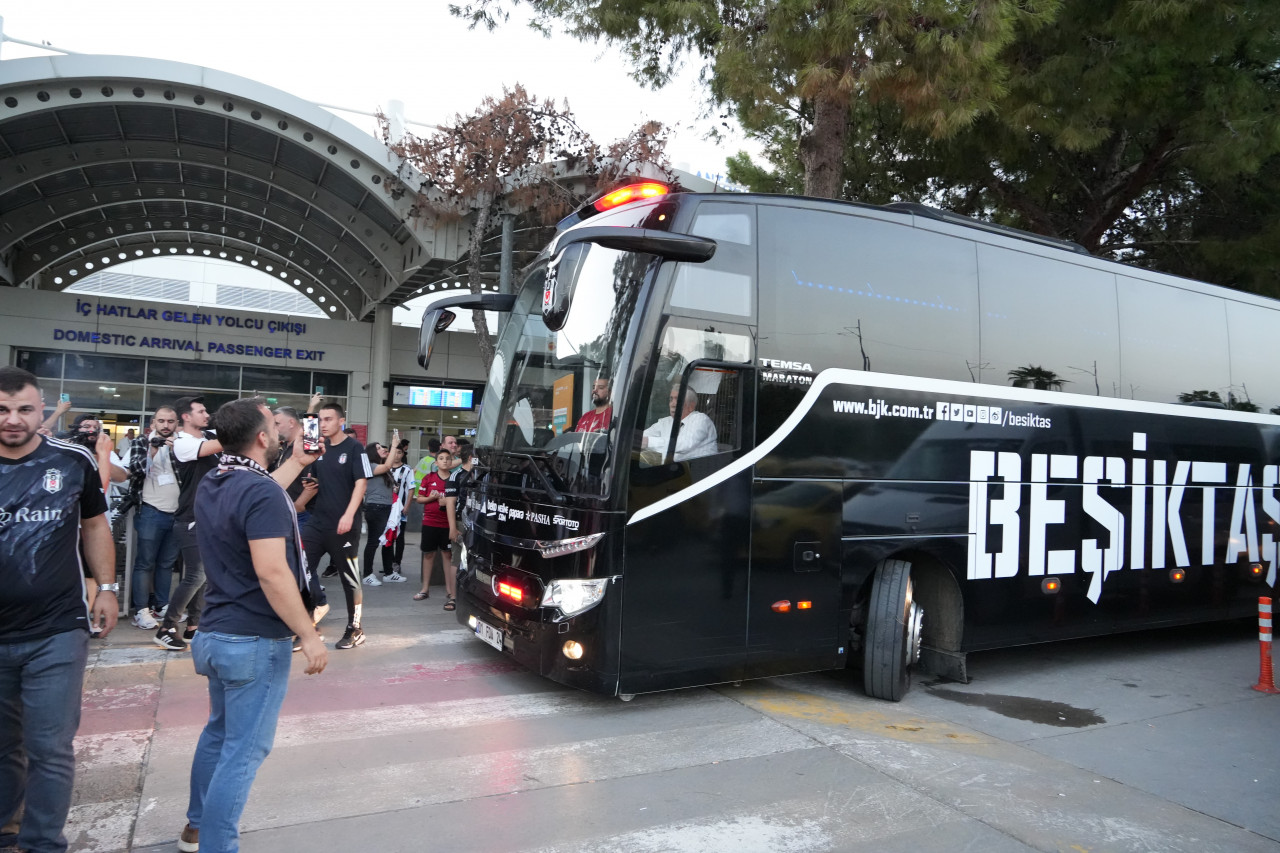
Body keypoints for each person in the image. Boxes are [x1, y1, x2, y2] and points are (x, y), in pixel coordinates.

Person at [179, 397, 327, 853]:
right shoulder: (258, 491)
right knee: (242, 752)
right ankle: (217, 845)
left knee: (219, 734)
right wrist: (308, 633)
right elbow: (272, 571)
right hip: (253, 640)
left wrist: (299, 460)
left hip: (214, 634)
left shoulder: (218, 481)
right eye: (274, 423)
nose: (282, 428)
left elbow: (261, 492)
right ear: (262, 437)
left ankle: (196, 828)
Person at [0, 366, 117, 853]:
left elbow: (94, 525)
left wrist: (107, 587)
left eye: (24, 409)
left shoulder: (73, 461)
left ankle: (43, 843)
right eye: (2, 410)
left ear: (42, 409)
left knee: (49, 746)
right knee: (3, 746)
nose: (13, 420)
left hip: (57, 628)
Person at [300, 402, 372, 650]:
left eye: (328, 419)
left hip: (344, 525)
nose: (323, 424)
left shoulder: (354, 448)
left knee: (350, 578)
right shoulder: (318, 448)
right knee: (299, 567)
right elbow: (315, 476)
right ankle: (306, 623)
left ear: (341, 421)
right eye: (320, 420)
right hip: (317, 522)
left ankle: (355, 629)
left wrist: (349, 515)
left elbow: (361, 484)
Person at [154, 396, 221, 652]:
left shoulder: (205, 438)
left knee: (204, 576)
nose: (207, 414)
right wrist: (243, 424)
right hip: (190, 518)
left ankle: (195, 626)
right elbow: (229, 438)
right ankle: (167, 627)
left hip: (207, 517)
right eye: (201, 411)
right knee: (196, 574)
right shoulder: (183, 443)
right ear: (186, 417)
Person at [127, 407, 180, 629]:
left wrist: (176, 449)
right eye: (161, 421)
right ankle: (141, 610)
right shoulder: (142, 441)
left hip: (177, 513)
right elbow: (137, 468)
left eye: (170, 421)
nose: (166, 425)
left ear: (177, 423)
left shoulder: (182, 444)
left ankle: (162, 606)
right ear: (153, 423)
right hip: (151, 511)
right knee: (145, 563)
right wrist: (154, 448)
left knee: (166, 564)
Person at [414, 448, 457, 610]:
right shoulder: (428, 478)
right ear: (436, 462)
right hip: (430, 523)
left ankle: (449, 590)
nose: (445, 461)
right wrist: (431, 498)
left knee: (447, 555)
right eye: (441, 458)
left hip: (447, 524)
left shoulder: (454, 480)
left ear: (451, 462)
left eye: (448, 458)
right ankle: (425, 589)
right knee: (429, 555)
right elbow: (419, 499)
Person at [359, 439, 408, 586]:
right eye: (379, 448)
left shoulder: (381, 468)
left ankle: (388, 572)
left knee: (388, 541)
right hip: (376, 508)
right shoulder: (371, 466)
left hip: (386, 508)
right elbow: (388, 465)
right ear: (373, 453)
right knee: (373, 542)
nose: (383, 450)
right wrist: (393, 445)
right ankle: (367, 574)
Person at [641, 385, 719, 463]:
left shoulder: (701, 419)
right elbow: (641, 437)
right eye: (671, 399)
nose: (673, 404)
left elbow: (684, 444)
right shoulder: (665, 422)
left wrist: (648, 442)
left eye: (678, 400)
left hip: (700, 472)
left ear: (691, 406)